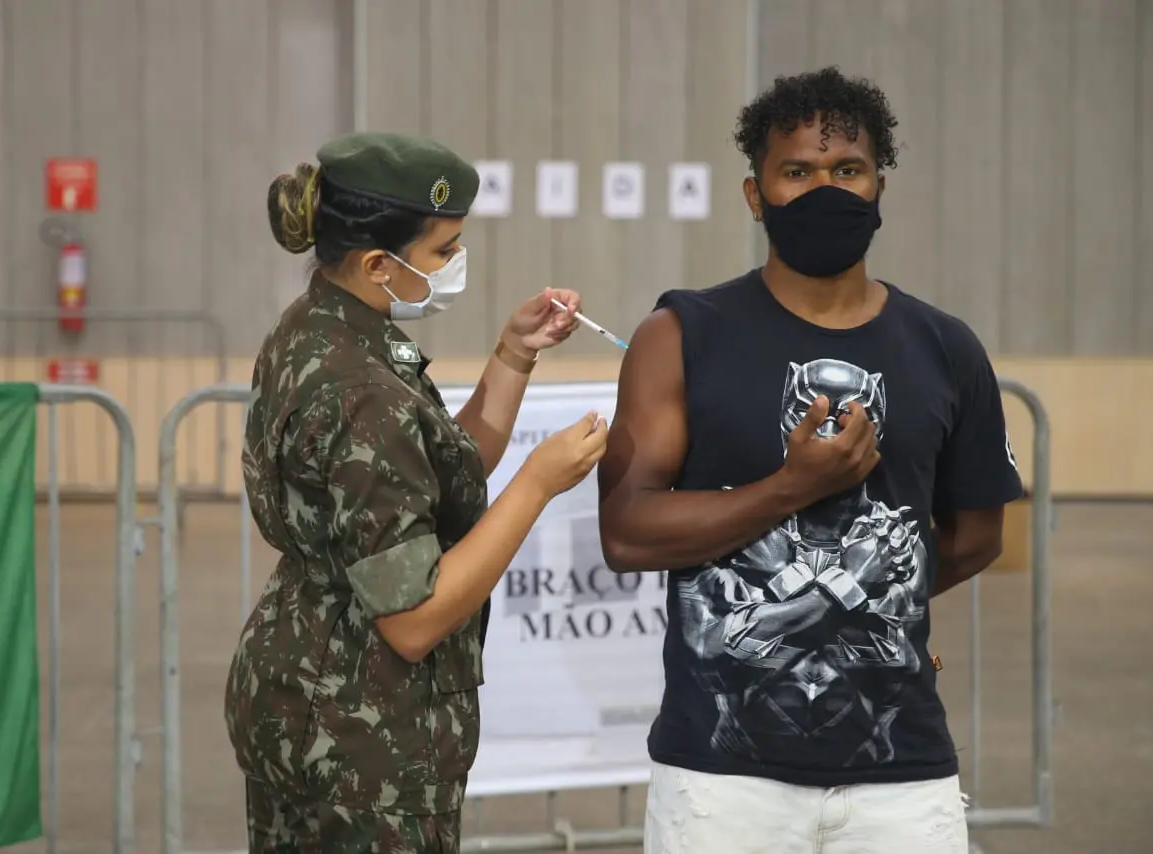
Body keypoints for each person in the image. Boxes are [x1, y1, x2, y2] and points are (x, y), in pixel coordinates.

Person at [597, 66, 1024, 853]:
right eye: (797, 171)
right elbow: (627, 531)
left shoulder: (946, 347)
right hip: (722, 781)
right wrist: (794, 489)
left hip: (901, 776)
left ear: (878, 188)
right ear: (755, 195)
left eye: (847, 170)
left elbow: (977, 534)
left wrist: (869, 597)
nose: (825, 189)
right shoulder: (682, 337)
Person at [224, 131, 609, 853]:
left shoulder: (328, 327)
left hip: (304, 699)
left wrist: (513, 355)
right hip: (360, 742)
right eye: (442, 252)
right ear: (377, 263)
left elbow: (441, 469)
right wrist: (537, 484)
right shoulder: (358, 388)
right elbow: (414, 617)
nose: (456, 265)